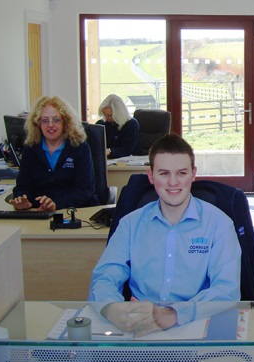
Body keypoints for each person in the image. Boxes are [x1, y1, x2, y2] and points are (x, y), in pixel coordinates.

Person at [88, 134, 242, 337]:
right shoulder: (130, 224)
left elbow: (226, 290)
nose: (173, 182)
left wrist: (173, 314)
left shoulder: (219, 225)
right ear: (150, 176)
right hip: (138, 324)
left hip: (194, 323)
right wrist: (112, 308)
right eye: (163, 173)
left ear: (193, 174)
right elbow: (104, 277)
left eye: (181, 173)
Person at [10, 96, 99, 211]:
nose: (50, 125)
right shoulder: (31, 148)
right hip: (40, 214)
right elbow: (22, 185)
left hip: (76, 212)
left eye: (56, 120)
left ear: (65, 122)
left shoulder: (79, 148)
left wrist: (56, 204)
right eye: (45, 120)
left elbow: (85, 190)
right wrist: (22, 199)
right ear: (38, 123)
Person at [96, 94, 140, 159]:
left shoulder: (131, 124)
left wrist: (110, 151)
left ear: (118, 114)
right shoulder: (101, 124)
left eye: (110, 116)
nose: (106, 118)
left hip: (127, 161)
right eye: (104, 114)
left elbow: (127, 149)